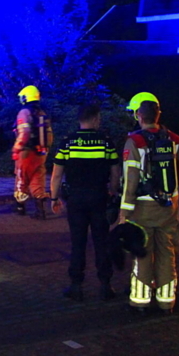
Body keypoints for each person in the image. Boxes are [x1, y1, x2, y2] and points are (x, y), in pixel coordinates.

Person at [116, 99, 179, 313]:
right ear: (158, 115)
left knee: (142, 252)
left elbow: (130, 181)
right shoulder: (172, 139)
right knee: (167, 252)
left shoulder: (135, 142)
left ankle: (140, 301)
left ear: (138, 116)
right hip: (169, 207)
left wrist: (124, 212)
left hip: (142, 209)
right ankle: (167, 301)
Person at [50, 104, 121, 302]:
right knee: (102, 242)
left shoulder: (68, 142)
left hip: (76, 199)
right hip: (99, 198)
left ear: (79, 119)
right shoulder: (106, 142)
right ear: (96, 118)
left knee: (77, 243)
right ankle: (106, 286)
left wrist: (54, 198)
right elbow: (115, 172)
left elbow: (57, 174)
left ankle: (76, 286)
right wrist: (113, 192)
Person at [13, 85, 53, 219]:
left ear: (25, 97)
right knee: (38, 179)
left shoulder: (24, 112)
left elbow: (24, 133)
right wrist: (45, 149)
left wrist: (16, 149)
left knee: (22, 179)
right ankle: (40, 211)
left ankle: (20, 208)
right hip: (40, 152)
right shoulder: (42, 113)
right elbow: (49, 134)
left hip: (26, 152)